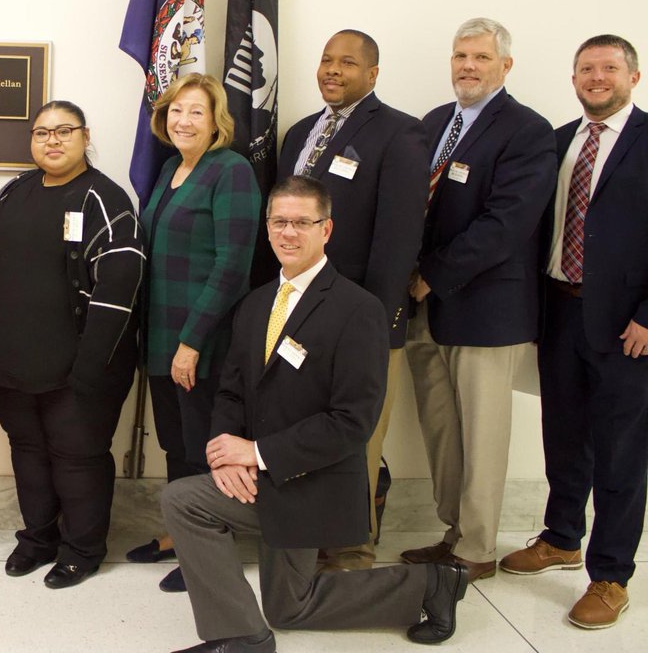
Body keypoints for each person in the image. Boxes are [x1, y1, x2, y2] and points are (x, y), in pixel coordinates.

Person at [162, 176, 468, 653]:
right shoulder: (255, 304)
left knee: (184, 500)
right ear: (267, 228)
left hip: (311, 484)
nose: (289, 233)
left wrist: (258, 452)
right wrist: (228, 453)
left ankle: (242, 638)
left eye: (302, 223)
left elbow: (353, 422)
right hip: (259, 477)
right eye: (280, 222)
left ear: (327, 229)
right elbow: (231, 392)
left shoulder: (359, 310)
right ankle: (430, 585)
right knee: (290, 607)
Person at [499, 35, 648, 630]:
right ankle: (561, 536)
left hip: (626, 327)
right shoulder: (557, 142)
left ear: (633, 76)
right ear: (573, 77)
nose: (596, 77)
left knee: (620, 453)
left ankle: (610, 575)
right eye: (586, 68)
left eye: (609, 68)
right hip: (559, 313)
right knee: (562, 436)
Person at [402, 18, 557, 582]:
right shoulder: (435, 123)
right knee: (442, 433)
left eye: (481, 58)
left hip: (486, 311)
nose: (468, 66)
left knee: (483, 436)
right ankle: (453, 534)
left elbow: (506, 224)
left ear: (505, 66)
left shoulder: (527, 131)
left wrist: (431, 275)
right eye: (460, 55)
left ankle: (478, 550)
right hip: (426, 309)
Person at [0, 101, 143, 589]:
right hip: (12, 360)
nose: (52, 140)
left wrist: (91, 366)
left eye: (64, 131)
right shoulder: (12, 192)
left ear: (86, 136)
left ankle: (82, 550)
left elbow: (119, 287)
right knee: (27, 450)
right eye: (42, 132)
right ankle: (38, 539)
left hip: (81, 368)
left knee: (78, 456)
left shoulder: (106, 199)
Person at [277, 30, 427, 570]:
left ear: (373, 73)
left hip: (360, 319)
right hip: (295, 313)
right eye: (325, 60)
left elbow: (398, 238)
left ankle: (349, 549)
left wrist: (379, 321)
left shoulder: (401, 133)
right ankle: (307, 536)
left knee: (356, 438)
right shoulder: (298, 133)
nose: (332, 70)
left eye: (347, 62)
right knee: (303, 428)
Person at [129, 73, 259, 593]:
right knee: (176, 441)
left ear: (215, 122)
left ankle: (210, 546)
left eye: (196, 112)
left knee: (206, 443)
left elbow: (233, 265)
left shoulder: (231, 171)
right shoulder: (169, 171)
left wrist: (192, 341)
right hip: (160, 335)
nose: (184, 120)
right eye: (177, 110)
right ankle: (180, 534)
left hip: (201, 338)